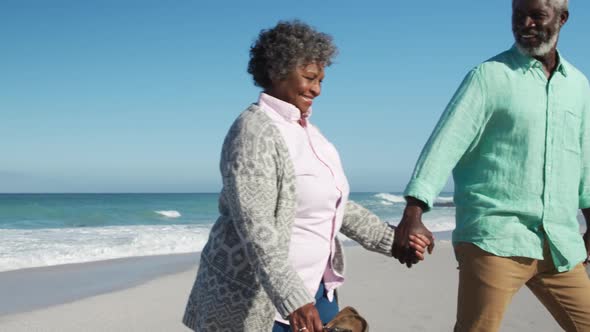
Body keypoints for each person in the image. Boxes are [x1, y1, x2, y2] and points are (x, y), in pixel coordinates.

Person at [182, 20, 431, 332]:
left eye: (321, 80)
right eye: (310, 78)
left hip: (316, 292)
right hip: (262, 302)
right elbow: (256, 227)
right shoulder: (253, 132)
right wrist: (294, 297)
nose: (317, 89)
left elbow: (333, 204)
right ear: (276, 71)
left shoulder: (311, 134)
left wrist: (392, 240)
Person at [393, 0, 590, 331]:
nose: (525, 23)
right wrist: (412, 214)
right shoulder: (489, 76)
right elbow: (443, 146)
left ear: (562, 18)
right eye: (518, 16)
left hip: (559, 243)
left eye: (536, 16)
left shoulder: (578, 86)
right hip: (495, 239)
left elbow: (583, 160)